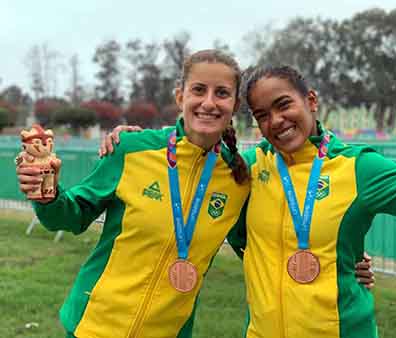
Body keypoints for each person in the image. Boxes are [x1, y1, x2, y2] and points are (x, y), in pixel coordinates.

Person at [225, 63, 396, 338]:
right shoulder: (250, 168)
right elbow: (239, 237)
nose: (275, 120)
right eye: (262, 115)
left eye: (284, 104)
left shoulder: (359, 167)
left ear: (311, 101)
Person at [16, 49, 250, 338]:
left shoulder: (239, 178)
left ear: (235, 104)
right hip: (94, 327)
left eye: (222, 93)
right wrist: (46, 195)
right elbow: (70, 216)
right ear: (180, 97)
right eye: (199, 90)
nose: (209, 102)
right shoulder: (131, 149)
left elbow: (257, 251)